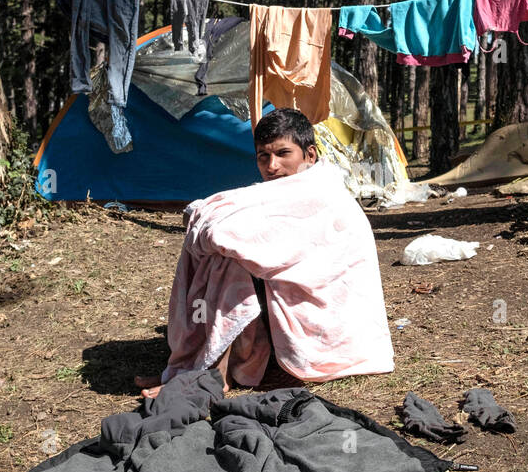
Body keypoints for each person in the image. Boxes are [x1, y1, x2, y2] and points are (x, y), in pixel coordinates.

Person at [135, 108, 393, 399]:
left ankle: (212, 375)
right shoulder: (288, 190)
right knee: (227, 255)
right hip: (292, 301)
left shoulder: (321, 192)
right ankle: (191, 367)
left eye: (284, 154)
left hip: (327, 320)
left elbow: (225, 231)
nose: (272, 166)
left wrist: (206, 221)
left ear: (309, 155)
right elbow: (225, 213)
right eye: (263, 157)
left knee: (232, 260)